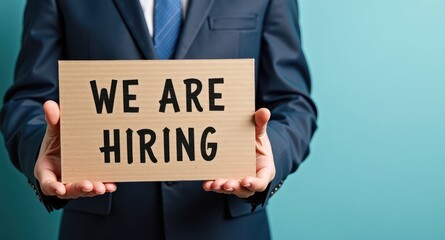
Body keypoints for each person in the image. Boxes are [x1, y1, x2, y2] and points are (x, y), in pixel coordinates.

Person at [0, 0, 317, 239]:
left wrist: (270, 153)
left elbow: (292, 102)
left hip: (226, 226)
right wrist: (38, 147)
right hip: (102, 226)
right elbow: (29, 99)